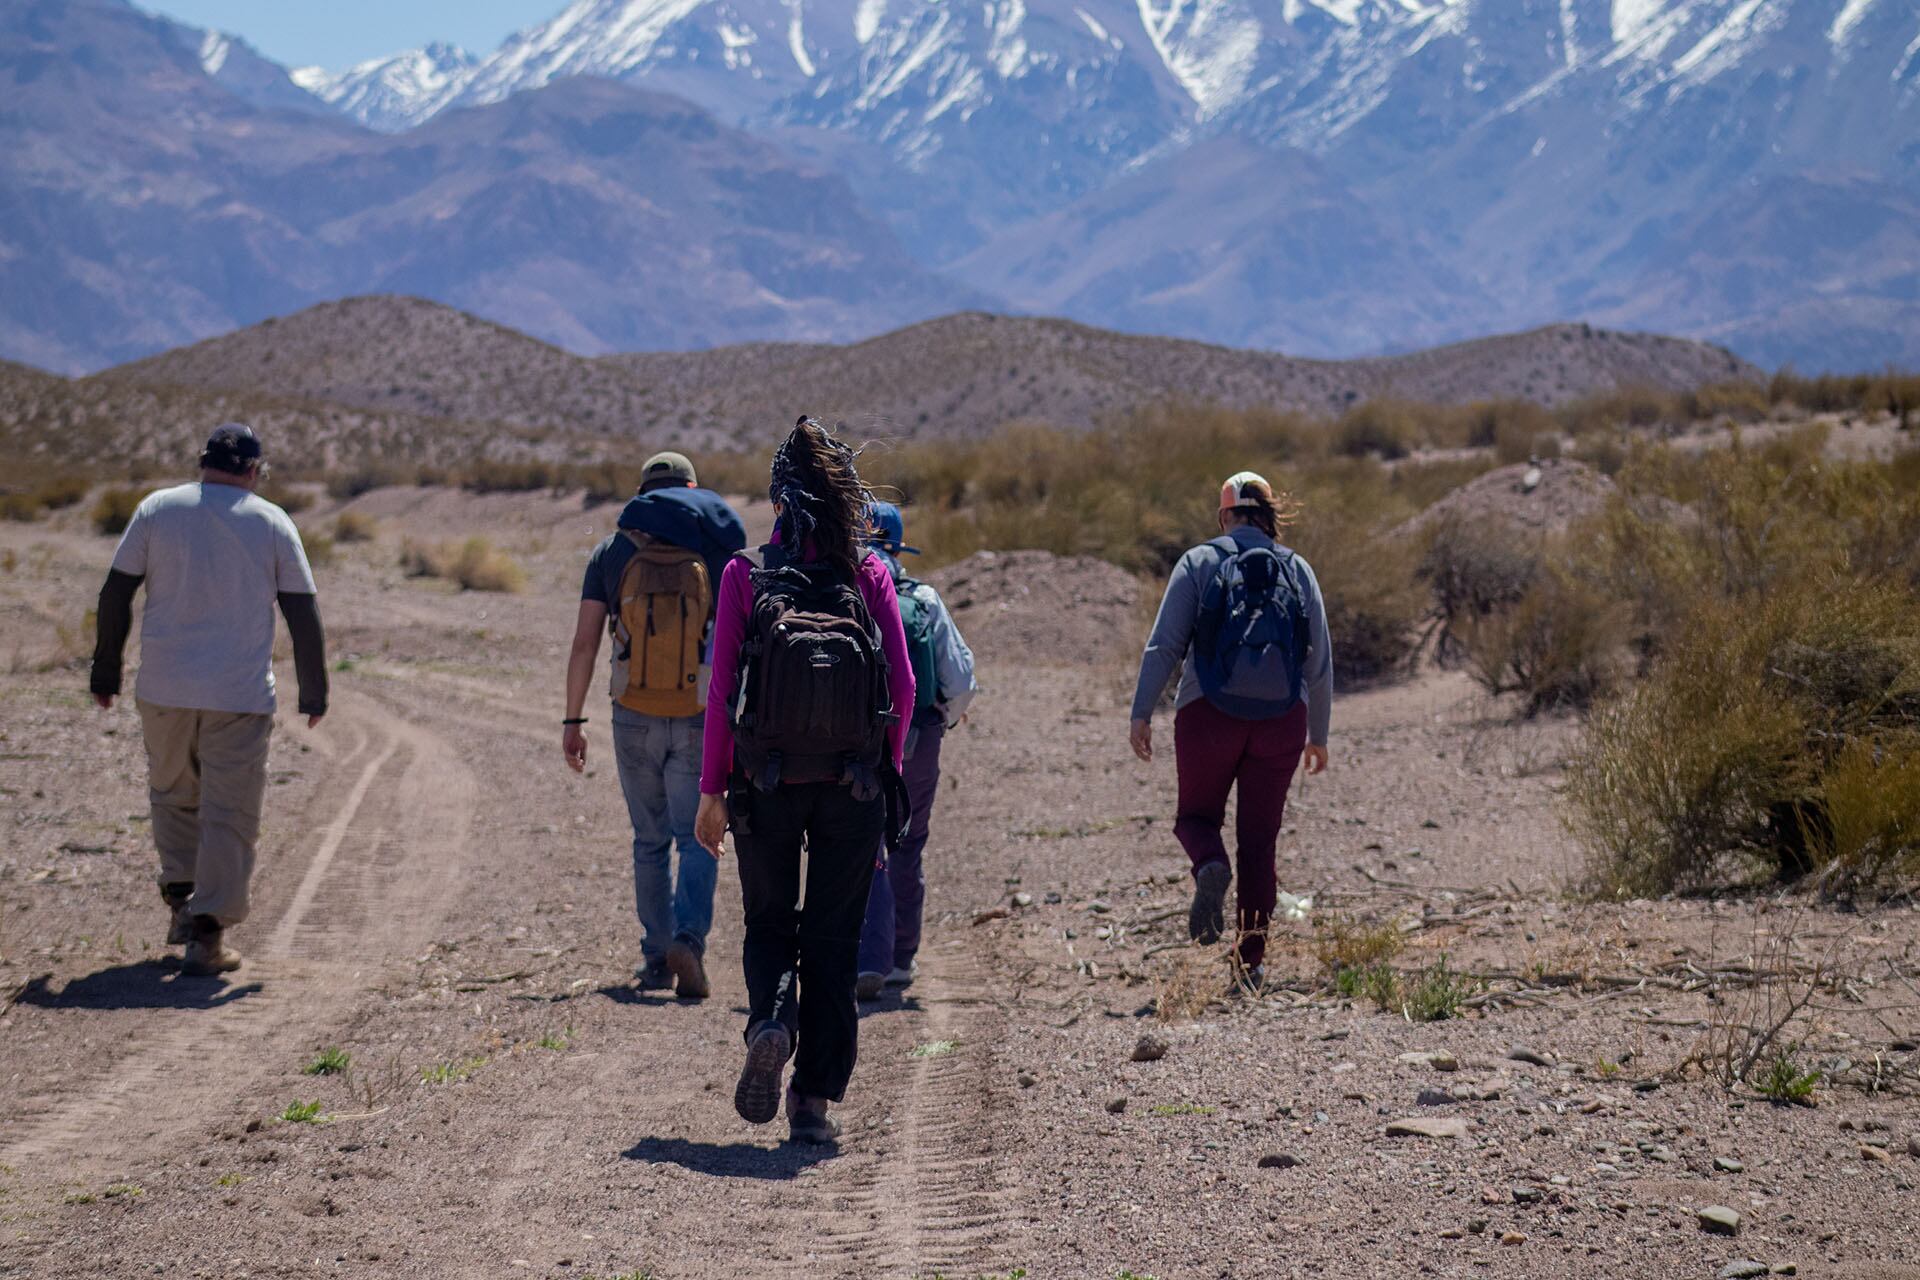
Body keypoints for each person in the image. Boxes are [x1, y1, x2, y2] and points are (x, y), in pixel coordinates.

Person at [694, 417, 915, 1145]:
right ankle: (813, 1104)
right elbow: (905, 689)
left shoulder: (744, 574)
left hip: (766, 780)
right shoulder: (871, 572)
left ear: (780, 500)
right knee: (833, 937)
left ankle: (771, 1022)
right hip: (852, 784)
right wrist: (884, 778)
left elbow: (723, 693)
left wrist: (712, 792)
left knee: (768, 923)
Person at [89, 424, 328, 977]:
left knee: (172, 793)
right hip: (237, 695)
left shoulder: (156, 509)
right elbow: (302, 611)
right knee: (229, 812)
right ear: (253, 471)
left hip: (164, 689)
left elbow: (116, 593)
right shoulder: (271, 520)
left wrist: (105, 671)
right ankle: (207, 932)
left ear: (202, 463)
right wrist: (314, 690)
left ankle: (180, 898)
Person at [1129, 471, 1333, 989]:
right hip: (1281, 722)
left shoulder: (1199, 561)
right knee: (1260, 843)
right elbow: (1320, 661)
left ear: (1224, 515)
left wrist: (1141, 712)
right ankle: (1250, 964)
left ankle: (1209, 864)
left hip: (1207, 716)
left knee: (1196, 818)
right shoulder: (1298, 568)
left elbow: (1164, 646)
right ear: (1269, 517)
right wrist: (1319, 733)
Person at [565, 451, 746, 1000]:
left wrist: (573, 719)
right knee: (699, 836)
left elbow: (585, 642)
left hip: (632, 714)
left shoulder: (612, 552)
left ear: (643, 492)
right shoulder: (713, 550)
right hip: (696, 712)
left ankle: (655, 957)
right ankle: (688, 938)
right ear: (691, 489)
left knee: (649, 839)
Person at [854, 502, 977, 1000]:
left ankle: (861, 954)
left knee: (856, 845)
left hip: (852, 743)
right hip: (917, 740)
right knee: (906, 844)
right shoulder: (921, 597)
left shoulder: (841, 592)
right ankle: (901, 959)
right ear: (899, 546)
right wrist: (940, 721)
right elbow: (962, 680)